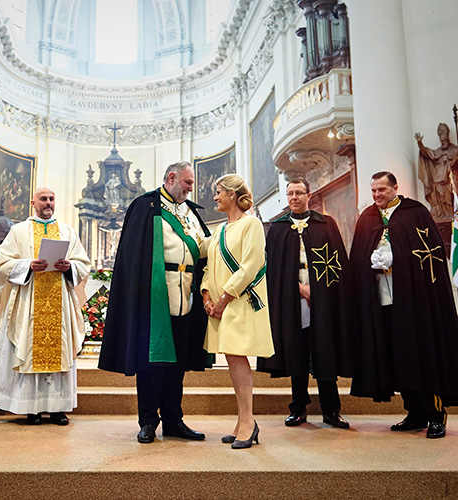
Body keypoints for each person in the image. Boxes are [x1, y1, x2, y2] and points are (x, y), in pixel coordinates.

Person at [350, 171, 458, 439]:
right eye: (373, 191)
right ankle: (415, 412)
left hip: (414, 301)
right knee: (398, 355)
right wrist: (369, 262)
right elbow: (357, 256)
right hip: (382, 299)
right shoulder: (367, 218)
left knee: (423, 352)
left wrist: (398, 258)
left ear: (395, 188)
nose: (377, 195)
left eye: (382, 190)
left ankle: (436, 415)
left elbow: (430, 255)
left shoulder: (415, 213)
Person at [99, 161, 211, 444]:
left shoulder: (191, 211)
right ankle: (148, 421)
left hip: (186, 295)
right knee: (151, 363)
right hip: (154, 297)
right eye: (187, 182)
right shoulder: (146, 206)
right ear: (171, 178)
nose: (190, 188)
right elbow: (133, 256)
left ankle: (174, 420)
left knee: (178, 363)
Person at [0, 187, 91, 425]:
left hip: (59, 302)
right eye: (43, 199)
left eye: (52, 199)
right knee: (29, 349)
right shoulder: (18, 230)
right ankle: (31, 408)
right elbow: (2, 264)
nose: (48, 203)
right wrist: (27, 265)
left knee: (60, 350)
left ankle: (57, 409)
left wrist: (70, 267)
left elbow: (83, 263)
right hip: (29, 300)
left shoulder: (67, 231)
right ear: (33, 202)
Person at [257, 179, 353, 429]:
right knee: (296, 350)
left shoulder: (325, 224)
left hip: (323, 299)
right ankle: (298, 408)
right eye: (290, 193)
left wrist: (318, 291)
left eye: (299, 193)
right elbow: (273, 270)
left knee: (324, 350)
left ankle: (331, 410)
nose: (294, 197)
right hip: (292, 299)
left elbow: (337, 262)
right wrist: (298, 288)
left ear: (309, 195)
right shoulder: (277, 228)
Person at [200, 174, 274, 449]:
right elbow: (208, 267)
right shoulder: (219, 231)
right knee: (232, 361)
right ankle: (244, 421)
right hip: (221, 305)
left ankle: (248, 422)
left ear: (233, 194)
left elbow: (252, 264)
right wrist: (207, 296)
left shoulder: (251, 223)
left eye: (218, 192)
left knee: (238, 361)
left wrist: (224, 298)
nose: (215, 197)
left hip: (239, 303)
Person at [415, 123, 458, 222]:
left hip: (451, 178)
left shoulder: (455, 150)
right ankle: (443, 213)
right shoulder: (438, 151)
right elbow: (427, 154)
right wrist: (420, 144)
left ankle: (455, 213)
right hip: (439, 179)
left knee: (453, 194)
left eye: (444, 138)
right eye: (441, 138)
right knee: (439, 194)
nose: (443, 141)